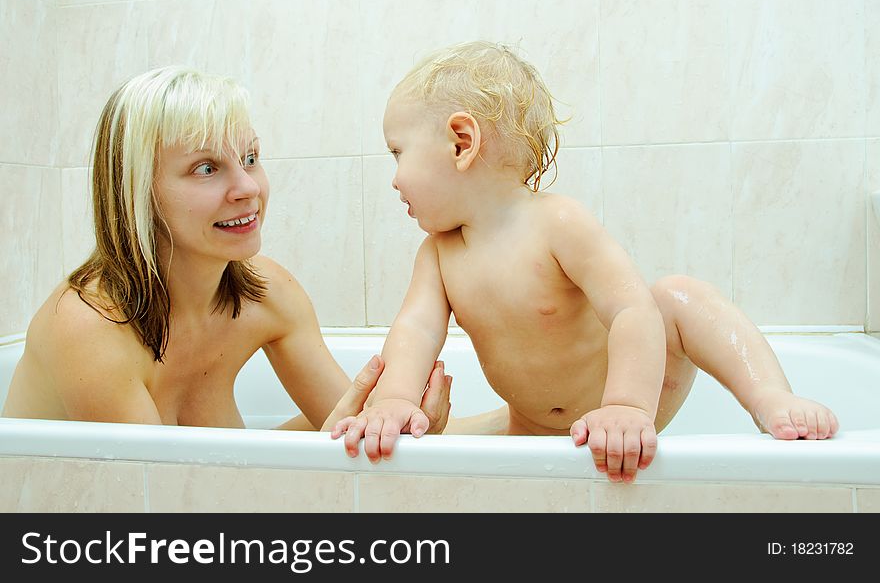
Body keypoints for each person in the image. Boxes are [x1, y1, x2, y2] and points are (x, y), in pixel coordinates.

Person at [332, 41, 838, 482]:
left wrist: (625, 405)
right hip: (531, 426)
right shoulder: (439, 254)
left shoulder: (557, 223)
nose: (394, 178)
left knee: (676, 296)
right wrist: (397, 397)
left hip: (626, 401)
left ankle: (771, 398)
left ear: (461, 143)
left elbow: (629, 311)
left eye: (397, 153)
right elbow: (416, 330)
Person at [1, 66, 451, 433]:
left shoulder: (266, 293)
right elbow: (164, 515)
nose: (247, 187)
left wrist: (512, 421)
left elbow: (345, 427)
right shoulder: (89, 328)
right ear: (136, 193)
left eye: (250, 158)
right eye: (206, 167)